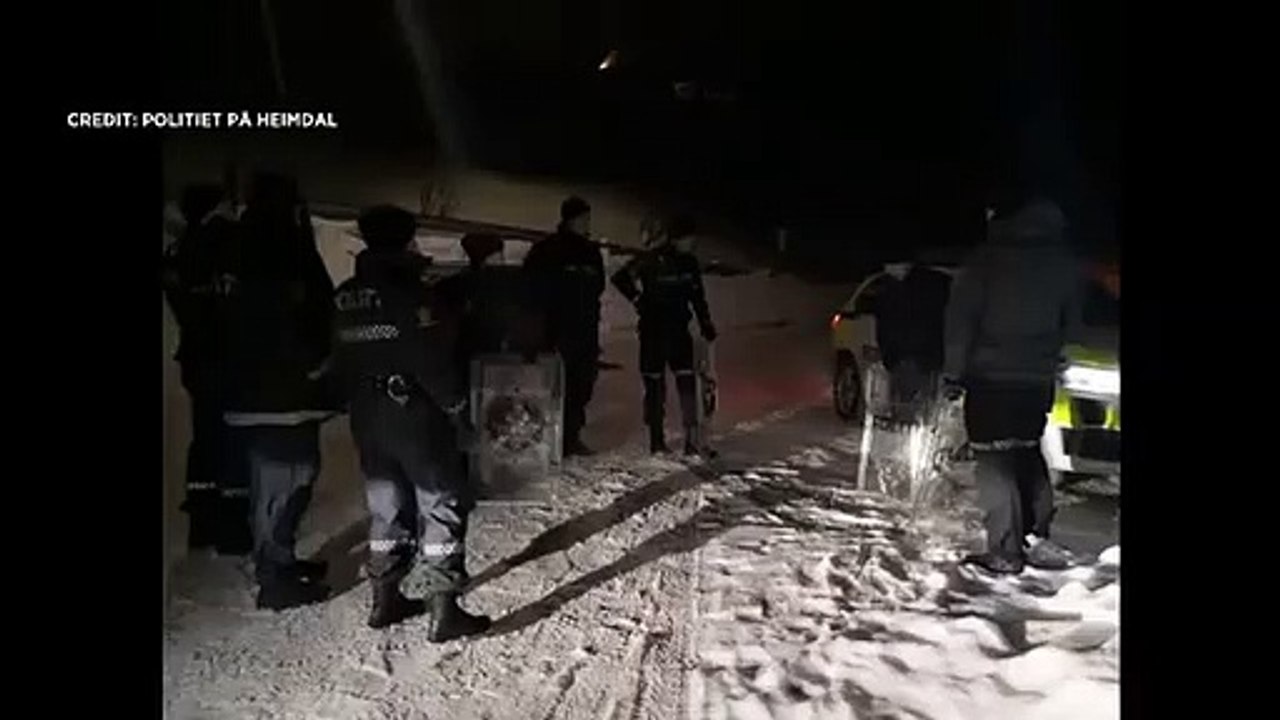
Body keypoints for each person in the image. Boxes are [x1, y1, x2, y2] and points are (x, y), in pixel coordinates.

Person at [331, 205, 491, 637]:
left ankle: (386, 598)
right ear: (406, 241)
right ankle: (444, 611)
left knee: (386, 501)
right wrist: (458, 412)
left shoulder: (345, 295)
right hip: (414, 411)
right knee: (440, 500)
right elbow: (432, 362)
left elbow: (338, 355)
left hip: (366, 411)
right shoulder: (414, 296)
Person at [943, 198, 1082, 575]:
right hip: (1036, 380)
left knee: (994, 461)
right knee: (1026, 451)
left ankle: (1005, 549)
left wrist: (953, 374)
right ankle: (1036, 535)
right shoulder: (1064, 262)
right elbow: (1074, 323)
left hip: (990, 378)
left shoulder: (985, 261)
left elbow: (961, 323)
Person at [219, 172, 335, 610]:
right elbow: (285, 313)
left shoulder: (245, 243)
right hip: (280, 392)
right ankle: (274, 576)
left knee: (284, 480)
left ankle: (280, 562)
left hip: (265, 390)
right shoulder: (275, 246)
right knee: (284, 482)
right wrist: (313, 363)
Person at [162, 183, 251, 553]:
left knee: (206, 438)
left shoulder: (179, 250)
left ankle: (202, 524)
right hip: (225, 356)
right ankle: (231, 530)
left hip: (196, 356)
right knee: (232, 440)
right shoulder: (225, 244)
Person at [611, 214, 718, 456]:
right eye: (689, 239)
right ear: (678, 238)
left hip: (679, 331)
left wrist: (705, 323)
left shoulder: (689, 263)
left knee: (687, 385)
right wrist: (638, 299)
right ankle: (656, 440)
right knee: (655, 386)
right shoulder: (650, 260)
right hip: (653, 332)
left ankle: (692, 440)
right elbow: (619, 278)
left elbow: (698, 297)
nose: (693, 243)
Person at [523, 196, 606, 456]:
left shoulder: (591, 252)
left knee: (583, 386)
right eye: (582, 218)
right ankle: (551, 440)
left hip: (586, 331)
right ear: (569, 219)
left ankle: (571, 436)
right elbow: (533, 290)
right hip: (557, 331)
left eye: (587, 218)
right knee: (557, 387)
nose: (586, 223)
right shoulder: (547, 250)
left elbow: (598, 286)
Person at [876, 263, 952, 422]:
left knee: (915, 410)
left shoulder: (916, 288)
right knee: (913, 408)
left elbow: (887, 325)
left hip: (914, 357)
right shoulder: (892, 288)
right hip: (912, 357)